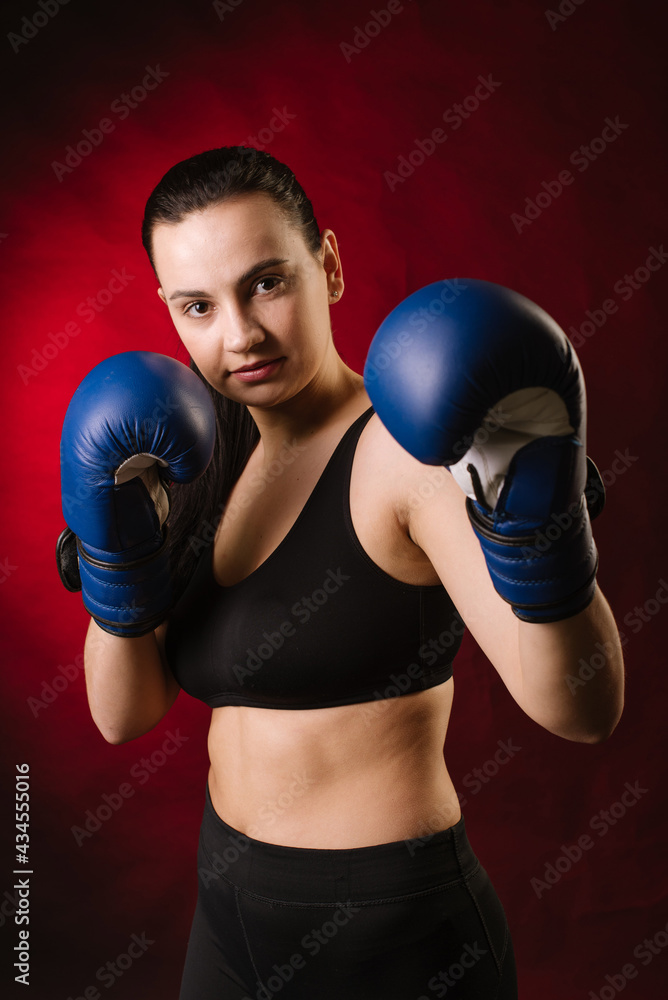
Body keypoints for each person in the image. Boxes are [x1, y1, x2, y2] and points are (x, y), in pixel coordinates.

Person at [66, 145, 625, 999]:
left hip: (391, 936)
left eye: (266, 282)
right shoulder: (188, 451)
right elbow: (122, 715)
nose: (239, 335)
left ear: (326, 265)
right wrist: (118, 564)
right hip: (226, 914)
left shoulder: (406, 455)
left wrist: (540, 523)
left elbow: (582, 710)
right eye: (198, 305)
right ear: (169, 311)